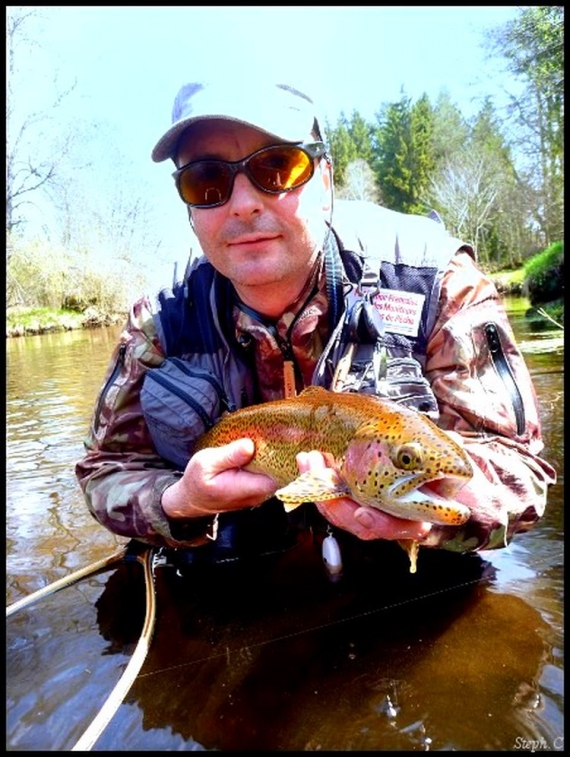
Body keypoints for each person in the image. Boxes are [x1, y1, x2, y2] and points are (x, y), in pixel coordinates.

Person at [75, 76, 556, 573]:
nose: (242, 203)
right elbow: (104, 471)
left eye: (276, 167)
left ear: (324, 181)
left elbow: (523, 470)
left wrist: (432, 521)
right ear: (189, 209)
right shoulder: (159, 325)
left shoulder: (435, 278)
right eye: (207, 181)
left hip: (411, 574)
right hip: (242, 577)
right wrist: (177, 502)